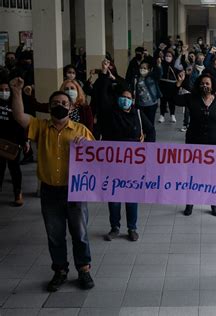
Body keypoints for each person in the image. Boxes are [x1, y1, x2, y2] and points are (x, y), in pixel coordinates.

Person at [10, 77, 95, 292]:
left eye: (64, 103)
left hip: (75, 191)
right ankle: (60, 270)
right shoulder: (40, 127)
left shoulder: (81, 130)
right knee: (55, 234)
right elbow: (20, 117)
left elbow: (99, 158)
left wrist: (87, 146)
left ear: (71, 106)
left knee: (80, 233)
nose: (60, 106)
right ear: (49, 107)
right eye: (56, 103)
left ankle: (84, 269)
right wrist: (17, 93)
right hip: (49, 191)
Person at [94, 59, 156, 241]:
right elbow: (100, 94)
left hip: (133, 163)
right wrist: (105, 74)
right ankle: (114, 227)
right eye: (123, 97)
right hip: (112, 162)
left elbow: (150, 129)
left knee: (131, 196)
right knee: (113, 196)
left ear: (132, 100)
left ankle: (132, 228)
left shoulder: (137, 114)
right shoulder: (109, 112)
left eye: (129, 98)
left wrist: (149, 150)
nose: (126, 100)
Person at [173, 72, 216, 216]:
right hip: (195, 144)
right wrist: (178, 85)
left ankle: (213, 203)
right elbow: (174, 99)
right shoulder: (192, 98)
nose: (205, 86)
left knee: (214, 176)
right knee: (193, 175)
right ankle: (190, 203)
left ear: (212, 86)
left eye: (208, 84)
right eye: (202, 83)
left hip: (215, 145)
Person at [0, 80, 28, 206]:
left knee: (15, 169)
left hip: (13, 142)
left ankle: (18, 193)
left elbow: (21, 124)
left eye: (6, 90)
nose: (4, 93)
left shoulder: (15, 104)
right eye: (1, 90)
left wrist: (24, 141)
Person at [134, 59, 162, 125]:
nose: (142, 69)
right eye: (141, 68)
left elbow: (159, 74)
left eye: (144, 68)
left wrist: (159, 65)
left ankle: (151, 135)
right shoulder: (137, 78)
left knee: (150, 123)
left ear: (149, 70)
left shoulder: (152, 77)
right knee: (142, 123)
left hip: (151, 104)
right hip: (140, 105)